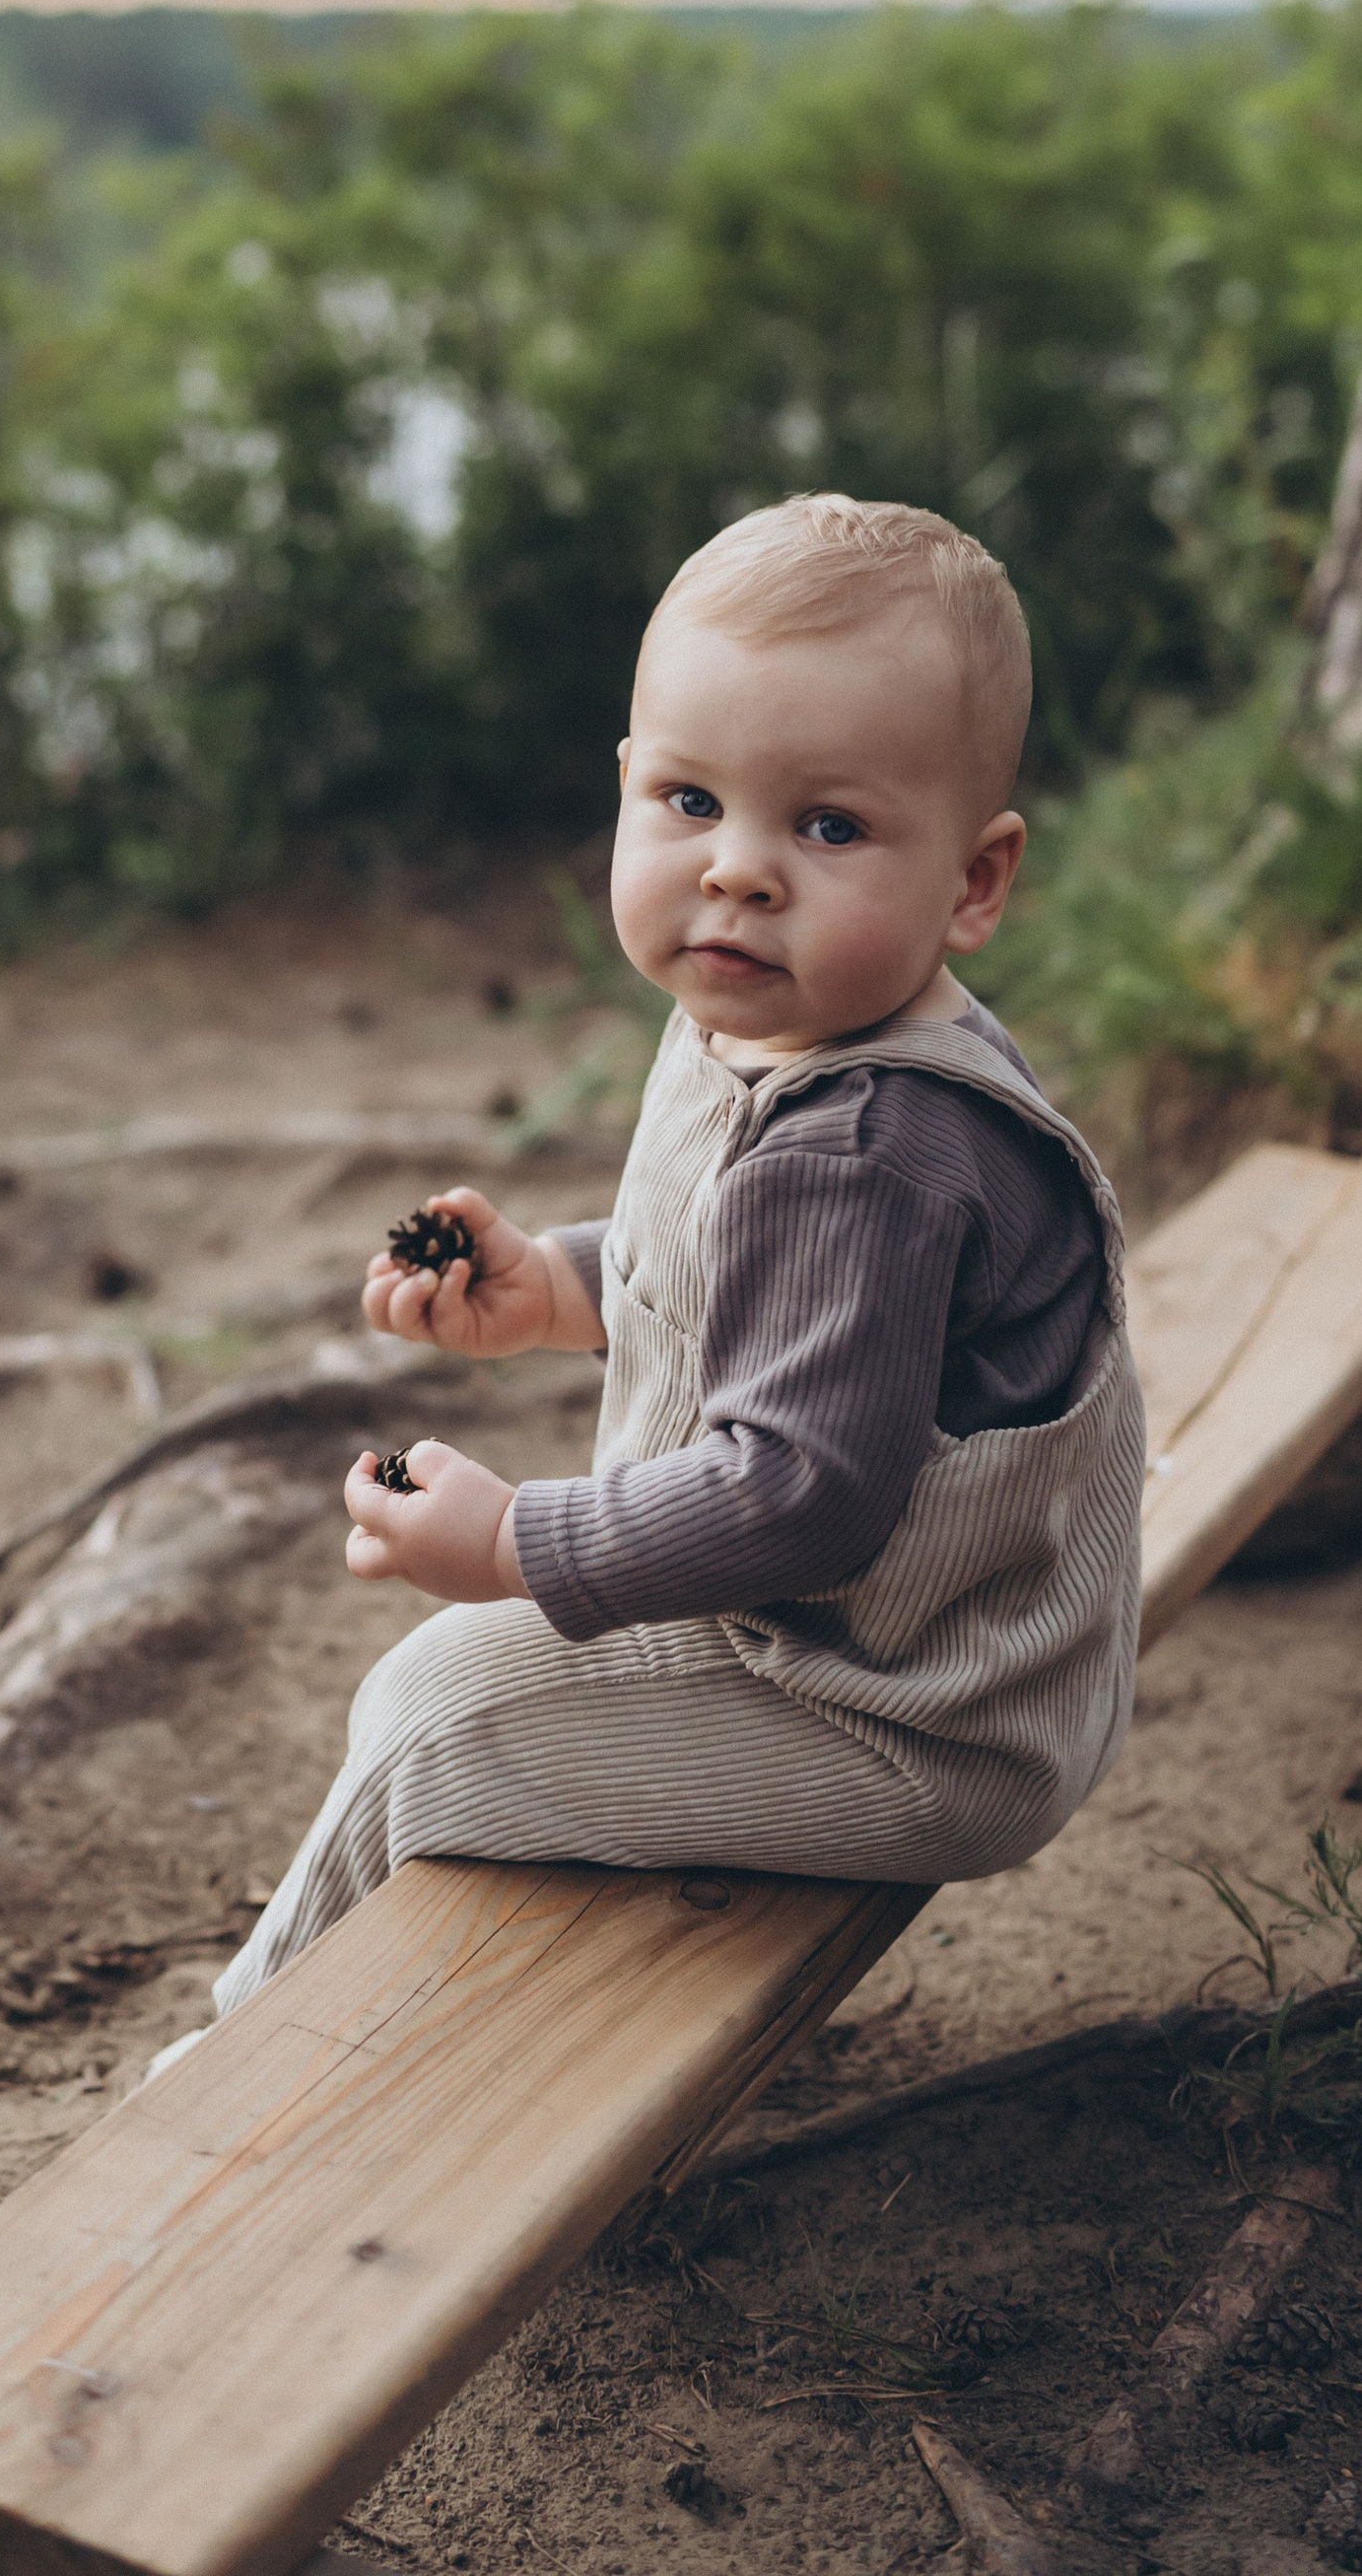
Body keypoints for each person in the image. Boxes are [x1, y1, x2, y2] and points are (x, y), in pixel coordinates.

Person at [204, 491, 1146, 2023]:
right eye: (693, 804)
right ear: (629, 789)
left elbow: (803, 1494)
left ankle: (244, 2069)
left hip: (914, 1717)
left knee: (434, 1707)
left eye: (828, 827)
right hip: (905, 1648)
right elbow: (764, 1292)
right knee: (478, 1698)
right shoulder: (777, 1023)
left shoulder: (869, 1143)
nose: (742, 872)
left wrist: (517, 1544)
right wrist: (561, 1288)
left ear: (973, 883)